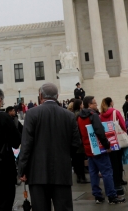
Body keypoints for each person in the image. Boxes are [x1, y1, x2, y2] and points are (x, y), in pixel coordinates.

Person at [18, 83, 82, 211]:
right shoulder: (69, 116)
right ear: (57, 96)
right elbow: (76, 143)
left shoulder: (32, 114)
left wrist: (22, 168)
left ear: (40, 96)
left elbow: (26, 144)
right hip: (62, 171)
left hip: (37, 172)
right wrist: (65, 155)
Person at [77, 96, 125, 204]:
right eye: (94, 103)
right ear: (89, 105)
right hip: (98, 149)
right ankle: (112, 196)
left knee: (93, 173)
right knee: (107, 172)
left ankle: (97, 196)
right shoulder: (93, 116)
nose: (96, 105)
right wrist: (107, 145)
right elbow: (100, 132)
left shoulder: (79, 117)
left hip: (88, 148)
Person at [99, 97, 127, 195]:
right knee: (118, 161)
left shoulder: (101, 115)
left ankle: (114, 182)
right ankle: (119, 181)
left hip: (107, 142)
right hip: (117, 141)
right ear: (111, 102)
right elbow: (123, 125)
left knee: (110, 163)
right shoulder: (116, 112)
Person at [69, 99, 88, 184]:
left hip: (73, 140)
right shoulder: (79, 114)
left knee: (76, 160)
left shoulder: (72, 114)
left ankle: (79, 177)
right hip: (79, 139)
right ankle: (82, 177)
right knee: (80, 159)